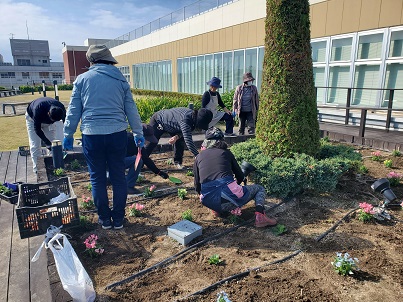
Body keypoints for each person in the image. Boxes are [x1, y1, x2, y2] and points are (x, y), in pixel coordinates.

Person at [63, 45, 144, 230]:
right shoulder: (120, 79)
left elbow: (74, 110)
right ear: (109, 59)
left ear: (91, 61)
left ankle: (104, 220)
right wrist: (138, 133)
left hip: (92, 135)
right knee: (118, 178)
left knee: (97, 179)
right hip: (117, 135)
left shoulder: (82, 80)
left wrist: (68, 134)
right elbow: (131, 108)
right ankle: (118, 219)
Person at [193, 127, 277, 228]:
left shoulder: (199, 157)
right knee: (259, 188)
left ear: (206, 142)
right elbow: (240, 176)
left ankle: (216, 211)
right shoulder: (226, 153)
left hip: (208, 201)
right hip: (227, 197)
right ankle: (260, 217)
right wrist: (235, 186)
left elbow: (197, 185)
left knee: (214, 190)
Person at [144, 107, 213, 169]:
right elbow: (188, 142)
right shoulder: (186, 120)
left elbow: (183, 132)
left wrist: (176, 137)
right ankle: (139, 163)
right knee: (152, 142)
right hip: (159, 120)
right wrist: (198, 156)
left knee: (180, 141)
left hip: (172, 125)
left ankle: (177, 162)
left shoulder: (193, 119)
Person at [25, 97, 66, 173]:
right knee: (35, 144)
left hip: (48, 123)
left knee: (53, 144)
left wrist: (66, 136)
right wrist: (46, 142)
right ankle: (37, 170)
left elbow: (65, 123)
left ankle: (54, 167)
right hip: (32, 120)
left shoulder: (61, 109)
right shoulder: (38, 109)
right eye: (52, 120)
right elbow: (37, 129)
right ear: (48, 113)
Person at [125, 124, 169, 195]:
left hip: (107, 162)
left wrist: (159, 172)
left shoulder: (129, 136)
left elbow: (146, 159)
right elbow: (145, 160)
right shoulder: (136, 142)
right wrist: (159, 172)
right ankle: (128, 187)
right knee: (138, 161)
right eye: (148, 139)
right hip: (112, 163)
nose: (148, 142)